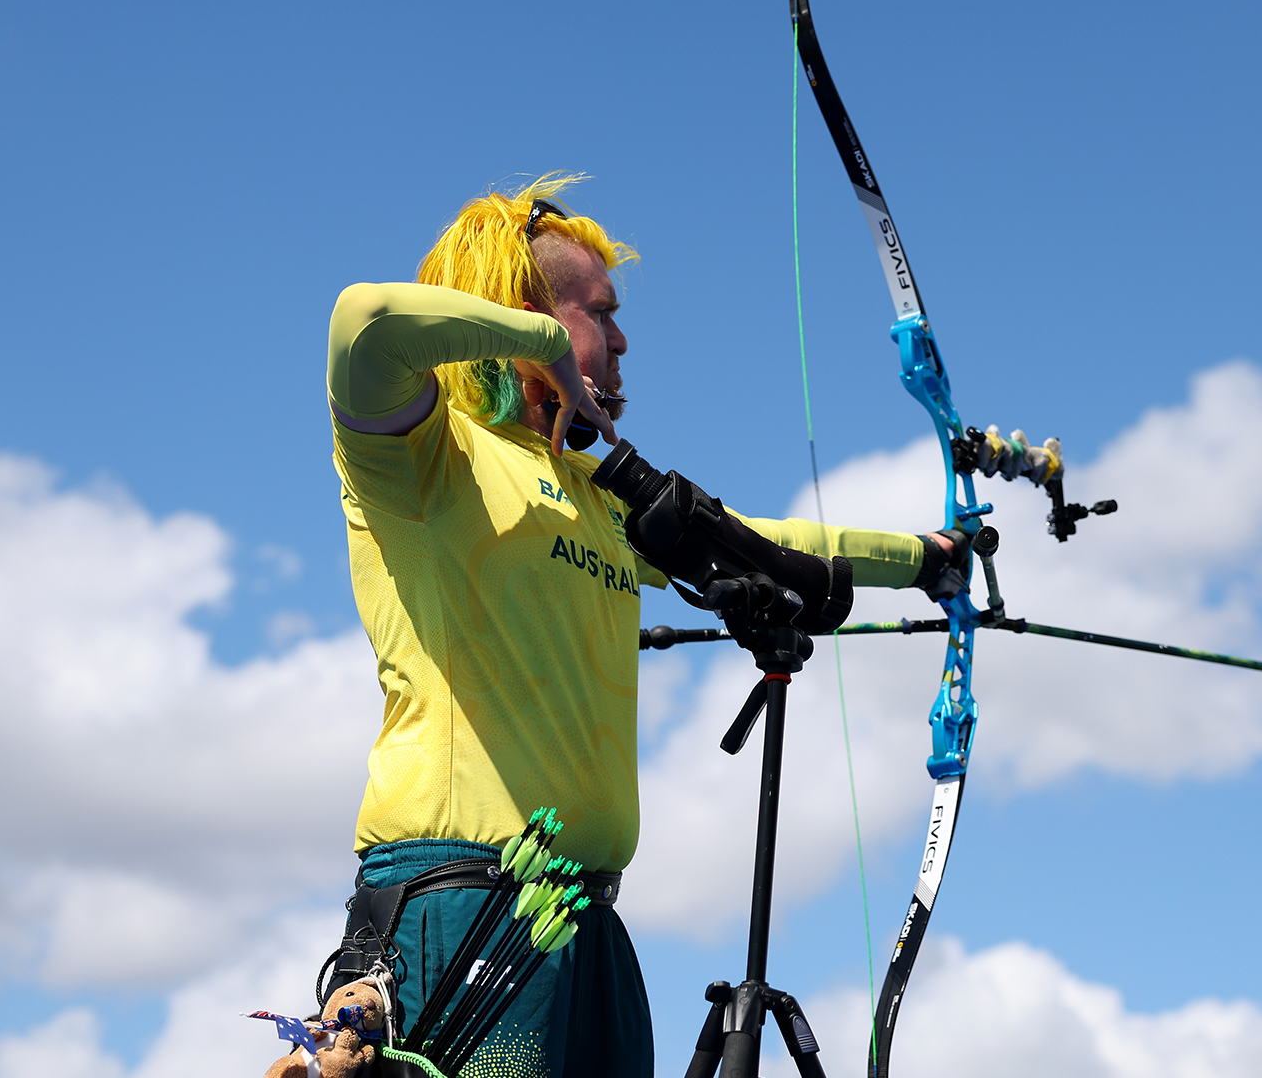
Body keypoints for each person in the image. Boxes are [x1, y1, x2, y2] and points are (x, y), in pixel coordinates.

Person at [323, 175, 963, 1078]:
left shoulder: (601, 500)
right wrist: (545, 341)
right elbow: (366, 322)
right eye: (598, 314)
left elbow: (765, 543)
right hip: (461, 908)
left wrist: (925, 556)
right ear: (517, 317)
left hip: (586, 924)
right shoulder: (426, 457)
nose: (620, 342)